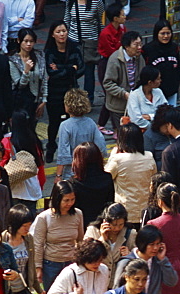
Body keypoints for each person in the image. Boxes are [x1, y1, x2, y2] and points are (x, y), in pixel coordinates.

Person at [34, 179, 85, 292]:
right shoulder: (44, 217)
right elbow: (38, 245)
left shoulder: (78, 214)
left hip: (71, 263)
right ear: (58, 199)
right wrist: (38, 268)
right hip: (51, 265)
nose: (70, 203)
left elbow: (81, 240)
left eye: (72, 199)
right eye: (66, 200)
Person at [44, 21, 84, 160]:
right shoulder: (49, 51)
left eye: (64, 31)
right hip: (54, 93)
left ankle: (72, 150)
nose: (62, 34)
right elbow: (51, 72)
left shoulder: (74, 48)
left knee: (72, 122)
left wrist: (61, 69)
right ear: (53, 35)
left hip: (71, 90)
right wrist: (70, 69)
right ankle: (50, 148)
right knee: (54, 123)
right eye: (58, 32)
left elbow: (81, 69)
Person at [105, 125, 156, 224]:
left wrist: (112, 156)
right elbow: (153, 178)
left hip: (125, 209)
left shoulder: (118, 159)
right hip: (146, 209)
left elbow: (106, 177)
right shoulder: (149, 156)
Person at [54, 88, 106, 181]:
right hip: (90, 170)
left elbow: (63, 153)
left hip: (72, 172)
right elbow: (101, 146)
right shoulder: (90, 122)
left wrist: (58, 175)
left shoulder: (65, 125)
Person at [101, 31, 144, 132]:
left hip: (135, 103)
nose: (139, 47)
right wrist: (124, 94)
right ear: (127, 47)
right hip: (119, 106)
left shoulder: (139, 58)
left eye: (140, 44)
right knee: (124, 134)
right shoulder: (115, 59)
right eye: (136, 44)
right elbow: (108, 83)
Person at [63, 0, 104, 103]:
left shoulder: (96, 2)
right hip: (73, 40)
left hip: (90, 42)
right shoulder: (71, 1)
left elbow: (101, 21)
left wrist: (101, 41)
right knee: (72, 70)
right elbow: (67, 20)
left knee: (89, 71)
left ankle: (88, 100)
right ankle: (73, 99)